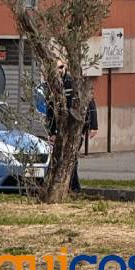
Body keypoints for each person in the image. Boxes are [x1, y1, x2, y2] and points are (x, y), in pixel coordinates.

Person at [45, 61, 98, 193]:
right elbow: (50, 110)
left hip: (75, 127)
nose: (59, 70)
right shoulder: (52, 85)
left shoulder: (73, 83)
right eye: (56, 68)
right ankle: (71, 187)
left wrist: (93, 126)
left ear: (65, 67)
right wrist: (51, 131)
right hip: (61, 128)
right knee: (65, 158)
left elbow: (90, 102)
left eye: (61, 67)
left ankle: (73, 187)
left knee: (70, 157)